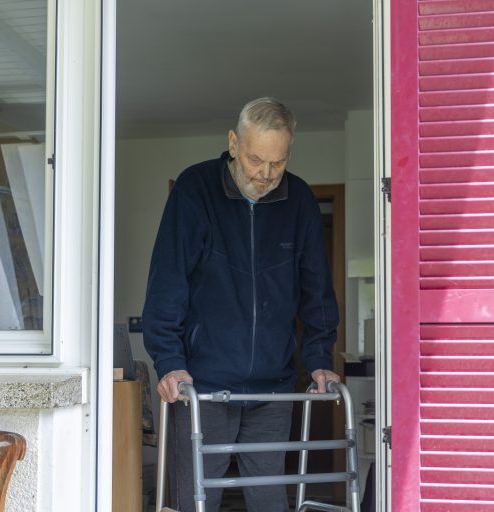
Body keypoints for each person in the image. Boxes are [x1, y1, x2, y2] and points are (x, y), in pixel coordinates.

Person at [143, 97, 340, 512]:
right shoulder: (195, 190)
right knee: (197, 500)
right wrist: (168, 360)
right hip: (202, 384)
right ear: (234, 143)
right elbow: (168, 280)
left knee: (270, 500)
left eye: (278, 162)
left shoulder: (299, 200)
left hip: (273, 388)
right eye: (255, 159)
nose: (266, 175)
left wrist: (320, 357)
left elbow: (317, 289)